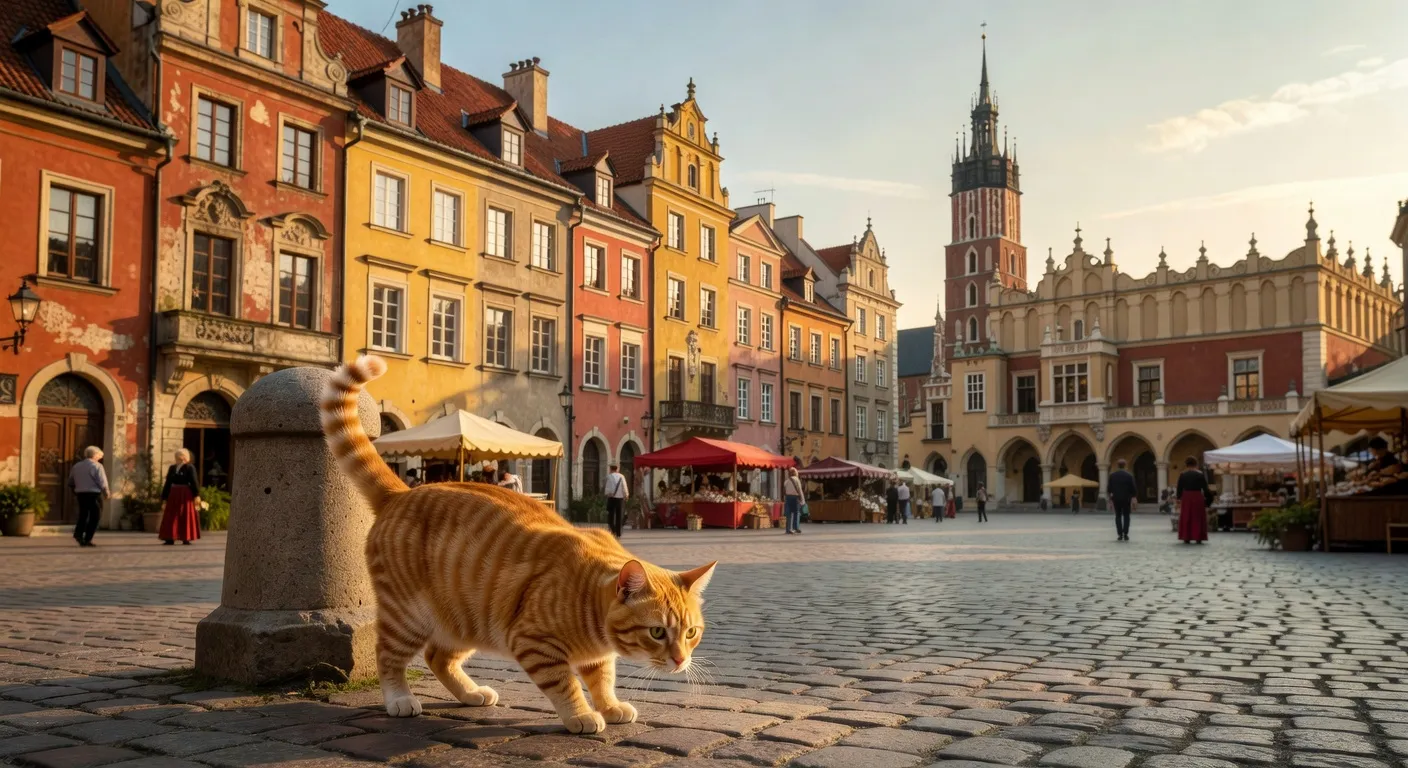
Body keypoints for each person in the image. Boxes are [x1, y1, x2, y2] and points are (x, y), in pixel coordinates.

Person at [67, 446, 108, 547]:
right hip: (93, 494)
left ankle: (79, 534)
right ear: (95, 455)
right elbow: (102, 481)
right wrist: (106, 492)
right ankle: (87, 538)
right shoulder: (97, 466)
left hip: (81, 494)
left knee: (83, 515)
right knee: (95, 516)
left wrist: (76, 491)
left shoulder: (77, 466)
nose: (100, 458)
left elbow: (71, 481)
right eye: (99, 455)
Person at [159, 448, 202, 545]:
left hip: (185, 494)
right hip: (173, 494)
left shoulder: (190, 468)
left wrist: (197, 495)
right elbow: (168, 482)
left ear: (186, 457)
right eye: (178, 457)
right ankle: (169, 537)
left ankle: (186, 537)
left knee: (185, 514)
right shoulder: (172, 468)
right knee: (171, 515)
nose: (180, 459)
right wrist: (164, 497)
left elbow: (194, 481)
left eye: (182, 457)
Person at [1176, 455, 1211, 544]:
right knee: (1197, 517)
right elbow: (1205, 489)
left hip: (1187, 496)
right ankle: (1198, 537)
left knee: (1186, 516)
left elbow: (1179, 488)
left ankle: (1186, 537)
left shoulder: (1183, 474)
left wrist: (1178, 498)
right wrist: (1208, 501)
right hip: (1197, 496)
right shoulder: (1200, 474)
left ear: (1186, 464)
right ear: (1196, 464)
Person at [1107, 458, 1137, 542]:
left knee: (1118, 516)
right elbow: (1133, 488)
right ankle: (1126, 534)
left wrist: (1110, 498)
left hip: (1116, 498)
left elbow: (1109, 489)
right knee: (1126, 516)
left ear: (1117, 465)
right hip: (1126, 499)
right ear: (1125, 465)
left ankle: (1119, 534)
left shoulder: (1112, 476)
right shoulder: (1129, 476)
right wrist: (1134, 497)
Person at [604, 463, 628, 538]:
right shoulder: (621, 476)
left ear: (611, 469)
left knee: (611, 515)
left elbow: (607, 488)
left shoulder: (609, 477)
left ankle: (613, 530)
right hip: (620, 499)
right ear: (617, 469)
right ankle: (618, 533)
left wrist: (607, 494)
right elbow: (624, 486)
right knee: (619, 516)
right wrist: (626, 495)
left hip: (611, 498)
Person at [782, 467, 805, 534]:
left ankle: (788, 529)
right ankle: (796, 528)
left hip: (788, 498)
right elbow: (800, 490)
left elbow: (784, 491)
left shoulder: (786, 481)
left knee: (788, 514)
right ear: (796, 473)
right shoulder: (797, 480)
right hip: (795, 498)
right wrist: (803, 500)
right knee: (796, 513)